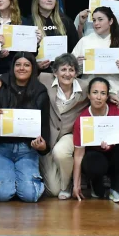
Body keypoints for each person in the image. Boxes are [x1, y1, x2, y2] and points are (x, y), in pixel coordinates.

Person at [0, 51, 50, 202]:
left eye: (27, 65)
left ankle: (18, 181)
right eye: (18, 65)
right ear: (12, 67)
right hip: (2, 148)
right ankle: (11, 182)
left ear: (33, 68)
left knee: (30, 196)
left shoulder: (40, 91)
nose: (22, 68)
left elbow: (44, 124)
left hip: (27, 150)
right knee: (2, 195)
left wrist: (44, 146)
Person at [72, 77, 119, 203]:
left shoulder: (116, 107)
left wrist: (112, 139)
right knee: (91, 161)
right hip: (95, 155)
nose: (98, 97)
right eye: (95, 93)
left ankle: (118, 190)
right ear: (88, 95)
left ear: (107, 96)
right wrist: (76, 185)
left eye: (103, 93)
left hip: (114, 151)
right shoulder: (82, 119)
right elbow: (78, 155)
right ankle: (96, 184)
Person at [38, 54, 88, 199]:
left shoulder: (85, 86)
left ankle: (67, 185)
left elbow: (100, 89)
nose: (67, 74)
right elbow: (22, 75)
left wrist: (111, 95)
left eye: (71, 70)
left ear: (76, 73)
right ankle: (64, 181)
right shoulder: (44, 79)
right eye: (63, 69)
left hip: (69, 133)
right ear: (55, 72)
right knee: (53, 191)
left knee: (60, 152)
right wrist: (1, 79)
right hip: (49, 136)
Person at [73, 6, 119, 103]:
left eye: (100, 19)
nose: (96, 23)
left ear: (110, 21)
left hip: (118, 94)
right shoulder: (84, 41)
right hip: (90, 95)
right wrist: (77, 64)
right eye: (94, 20)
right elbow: (72, 71)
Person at [27, 0, 79, 67]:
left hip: (63, 72)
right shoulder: (28, 23)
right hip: (38, 74)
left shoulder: (66, 21)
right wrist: (36, 66)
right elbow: (23, 55)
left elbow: (75, 49)